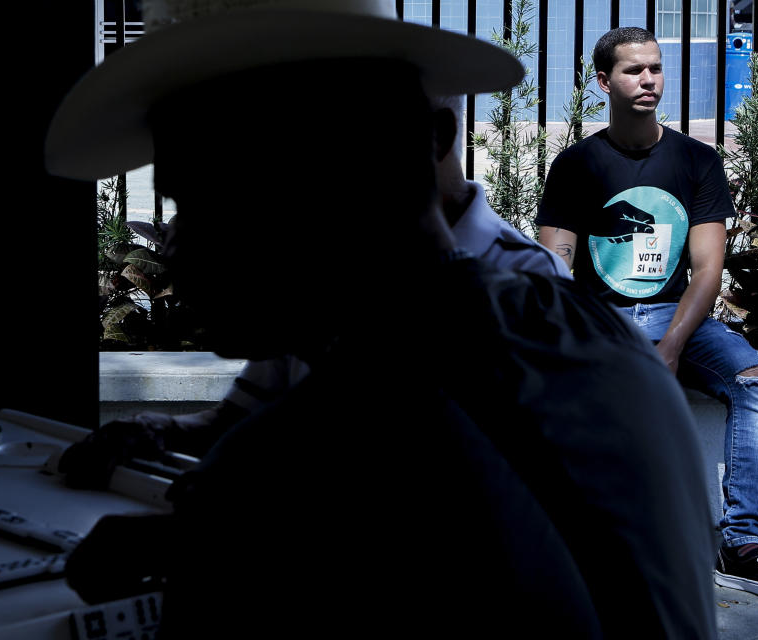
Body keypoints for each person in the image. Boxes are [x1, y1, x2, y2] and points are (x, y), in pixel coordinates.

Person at [48, 2, 718, 637]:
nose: (174, 244)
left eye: (205, 196)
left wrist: (225, 532)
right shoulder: (588, 338)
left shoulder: (288, 468)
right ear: (432, 143)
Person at [59, 92, 572, 485]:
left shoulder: (532, 289)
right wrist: (152, 433)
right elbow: (242, 420)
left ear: (433, 138)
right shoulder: (329, 281)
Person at [536, 26, 758, 602]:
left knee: (753, 377)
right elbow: (552, 268)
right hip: (601, 319)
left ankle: (740, 546)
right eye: (633, 70)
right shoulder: (576, 166)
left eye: (655, 69)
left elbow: (707, 272)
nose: (648, 80)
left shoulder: (696, 161)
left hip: (675, 315)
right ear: (602, 82)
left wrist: (668, 349)